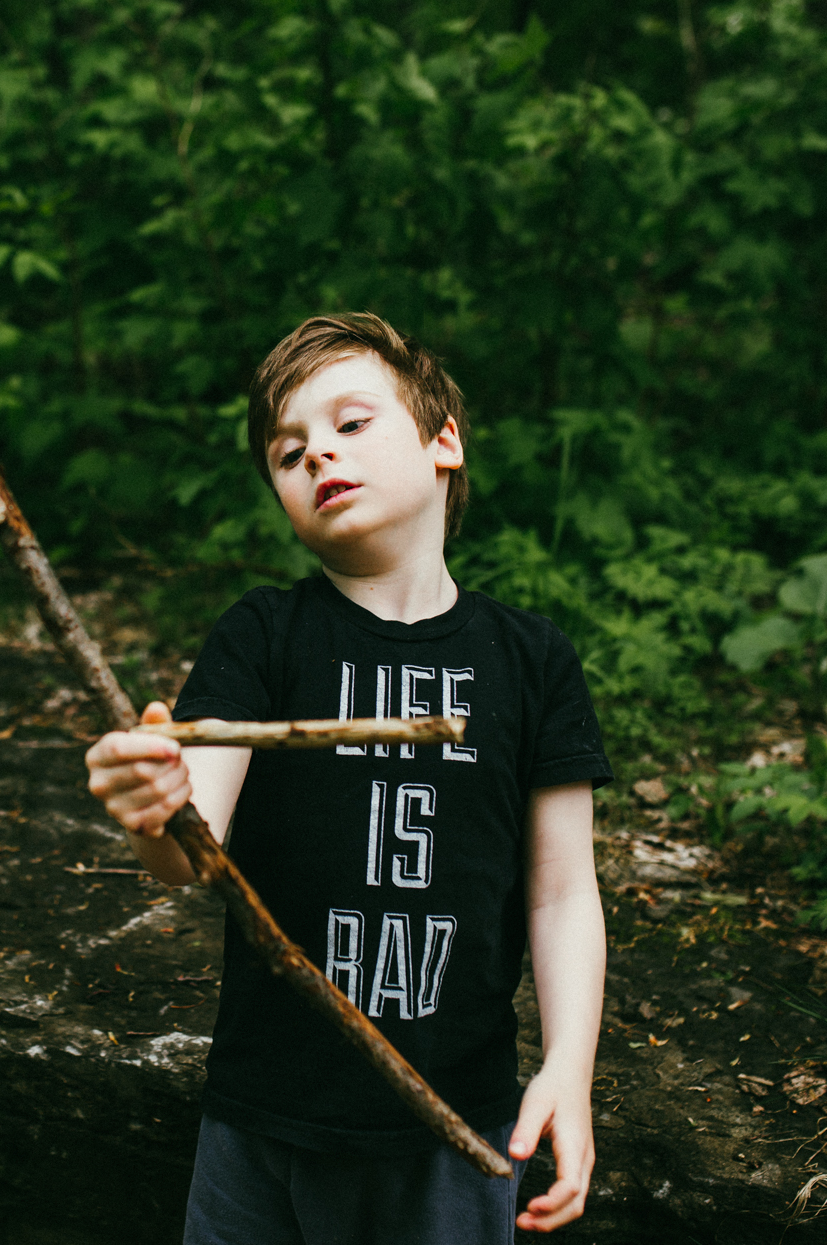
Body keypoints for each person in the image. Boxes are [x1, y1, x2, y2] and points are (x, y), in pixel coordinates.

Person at [85, 313, 610, 1244]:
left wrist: (570, 1064)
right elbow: (187, 845)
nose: (318, 454)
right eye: (289, 453)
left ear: (443, 440)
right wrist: (148, 807)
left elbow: (563, 893)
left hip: (453, 1130)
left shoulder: (532, 661)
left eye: (351, 424)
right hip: (261, 1121)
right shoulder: (262, 636)